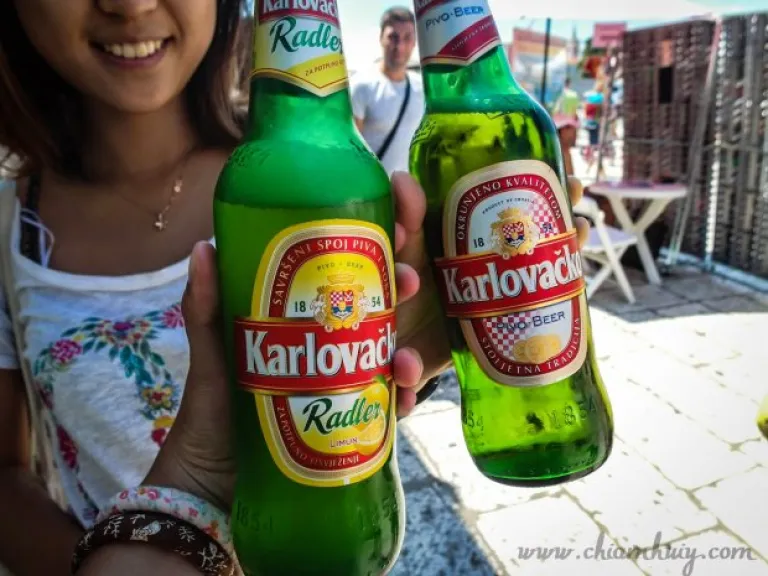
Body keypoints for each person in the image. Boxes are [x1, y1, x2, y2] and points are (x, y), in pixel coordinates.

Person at [0, 0, 589, 574]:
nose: (130, 5)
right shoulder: (8, 227)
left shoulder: (306, 164)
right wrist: (122, 553)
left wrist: (396, 361)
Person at [350, 7, 424, 175]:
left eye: (407, 37)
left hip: (410, 185)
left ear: (414, 42)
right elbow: (351, 153)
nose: (400, 46)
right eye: (393, 37)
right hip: (376, 187)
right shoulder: (360, 86)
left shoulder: (422, 86)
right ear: (381, 38)